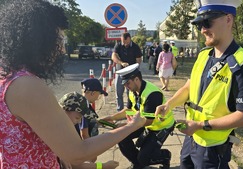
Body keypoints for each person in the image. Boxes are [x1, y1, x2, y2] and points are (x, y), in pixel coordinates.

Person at [0, 0, 146, 168]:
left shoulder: (8, 76)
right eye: (60, 39)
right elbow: (78, 152)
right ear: (38, 39)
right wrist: (131, 126)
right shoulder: (26, 86)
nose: (62, 49)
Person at [155, 0, 243, 168]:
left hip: (213, 148)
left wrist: (200, 125)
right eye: (200, 25)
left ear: (228, 19)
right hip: (191, 139)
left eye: (207, 22)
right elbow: (189, 87)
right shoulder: (204, 55)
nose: (203, 30)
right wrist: (169, 104)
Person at [102, 63, 175, 169]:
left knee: (143, 158)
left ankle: (164, 156)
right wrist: (112, 118)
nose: (126, 87)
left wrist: (127, 125)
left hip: (160, 126)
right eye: (125, 84)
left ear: (136, 79)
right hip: (143, 123)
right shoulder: (133, 91)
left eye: (128, 83)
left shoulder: (152, 94)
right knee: (121, 137)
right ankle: (138, 164)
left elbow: (149, 120)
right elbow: (129, 110)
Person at [59, 92, 119, 169]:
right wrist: (103, 166)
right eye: (77, 117)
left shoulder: (62, 128)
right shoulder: (56, 133)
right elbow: (76, 165)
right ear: (64, 111)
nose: (79, 121)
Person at [112, 32, 142, 112]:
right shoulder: (118, 45)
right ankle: (120, 110)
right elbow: (113, 56)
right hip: (120, 71)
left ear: (130, 39)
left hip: (131, 73)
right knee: (118, 92)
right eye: (123, 42)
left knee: (131, 92)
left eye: (127, 42)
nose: (125, 44)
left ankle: (131, 110)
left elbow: (138, 61)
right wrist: (121, 63)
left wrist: (133, 68)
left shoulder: (135, 47)